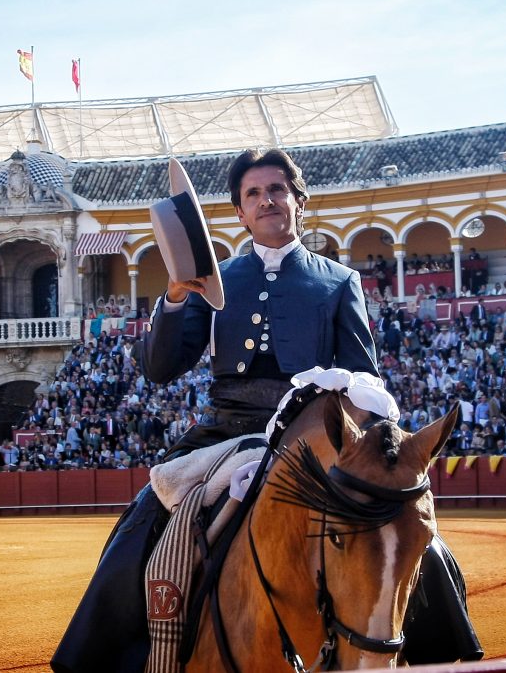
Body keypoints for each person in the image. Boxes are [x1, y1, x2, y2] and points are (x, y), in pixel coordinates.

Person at [53, 149, 480, 671]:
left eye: (277, 190)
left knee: (410, 535)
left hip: (314, 439)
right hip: (224, 434)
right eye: (253, 194)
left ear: (299, 201)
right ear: (239, 212)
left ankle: (435, 655)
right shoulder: (213, 281)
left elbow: (365, 376)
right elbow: (160, 368)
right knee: (141, 524)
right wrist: (172, 296)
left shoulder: (338, 281)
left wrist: (349, 407)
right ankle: (113, 657)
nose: (266, 201)